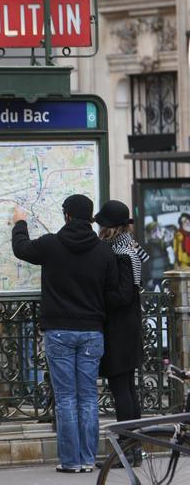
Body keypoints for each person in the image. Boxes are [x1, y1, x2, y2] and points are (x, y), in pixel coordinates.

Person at [11, 194, 123, 474]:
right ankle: (87, 459)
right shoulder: (103, 251)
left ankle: (70, 461)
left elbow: (21, 248)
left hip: (59, 332)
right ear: (90, 218)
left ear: (67, 216)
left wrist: (20, 222)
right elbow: (111, 292)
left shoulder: (51, 245)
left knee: (65, 398)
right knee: (87, 398)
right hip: (91, 333)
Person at [94, 200, 149, 468]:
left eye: (102, 223)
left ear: (110, 227)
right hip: (128, 327)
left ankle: (128, 452)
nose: (99, 228)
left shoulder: (122, 251)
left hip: (120, 329)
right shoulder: (129, 246)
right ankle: (133, 449)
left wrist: (100, 295)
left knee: (122, 390)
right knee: (127, 389)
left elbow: (124, 294)